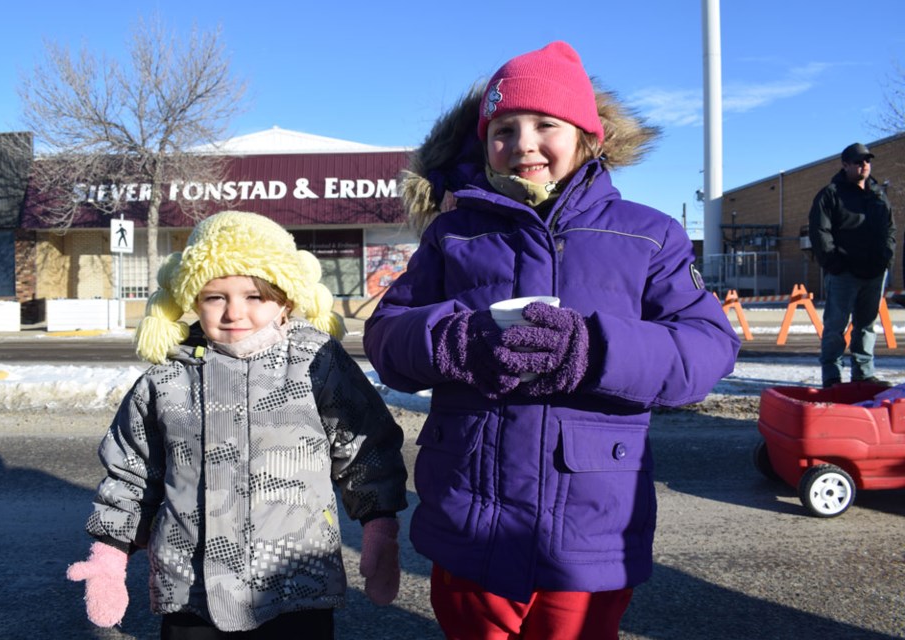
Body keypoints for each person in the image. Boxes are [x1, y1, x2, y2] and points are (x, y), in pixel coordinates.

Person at [363, 41, 740, 639]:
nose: (524, 143)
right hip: (470, 515)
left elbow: (705, 348)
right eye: (504, 129)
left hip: (589, 528)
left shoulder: (649, 235)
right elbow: (385, 338)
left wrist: (593, 350)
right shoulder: (453, 235)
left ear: (590, 137)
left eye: (546, 125)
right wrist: (457, 341)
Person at [67, 211, 408, 639]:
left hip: (296, 581)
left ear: (284, 299)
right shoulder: (166, 378)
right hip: (190, 586)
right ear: (192, 300)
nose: (234, 313)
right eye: (215, 298)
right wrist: (109, 556)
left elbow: (365, 447)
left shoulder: (317, 364)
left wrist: (380, 529)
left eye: (254, 296)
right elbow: (132, 472)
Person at [808, 142, 896, 388]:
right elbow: (819, 231)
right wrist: (833, 263)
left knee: (866, 325)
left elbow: (890, 229)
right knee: (836, 325)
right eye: (858, 161)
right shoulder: (831, 195)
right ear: (845, 165)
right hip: (843, 272)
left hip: (874, 272)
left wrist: (886, 257)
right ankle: (832, 376)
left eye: (867, 161)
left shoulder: (878, 195)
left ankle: (863, 373)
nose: (864, 165)